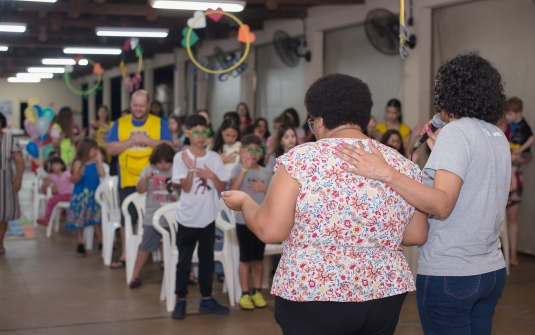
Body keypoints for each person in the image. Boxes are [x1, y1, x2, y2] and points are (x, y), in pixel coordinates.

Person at [222, 73, 427, 334]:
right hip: (382, 293)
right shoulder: (401, 164)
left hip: (313, 291)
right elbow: (416, 234)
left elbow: (270, 230)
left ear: (319, 120)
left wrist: (245, 204)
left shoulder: (301, 160)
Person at [337, 53, 509, 335]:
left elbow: (442, 205)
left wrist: (385, 172)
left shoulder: (457, 133)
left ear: (449, 92)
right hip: (490, 269)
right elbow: (475, 194)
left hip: (452, 272)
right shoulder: (495, 134)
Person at [171, 114, 230, 319]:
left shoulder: (213, 157)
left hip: (208, 218)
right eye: (195, 132)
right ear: (187, 133)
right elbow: (185, 189)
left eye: (203, 132)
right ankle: (181, 300)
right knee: (183, 262)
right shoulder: (180, 157)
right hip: (187, 219)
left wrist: (211, 176)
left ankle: (207, 299)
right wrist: (191, 168)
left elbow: (223, 188)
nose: (200, 137)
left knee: (207, 260)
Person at [106, 90, 173, 268]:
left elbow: (170, 147)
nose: (138, 108)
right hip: (128, 179)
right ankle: (126, 254)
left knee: (160, 218)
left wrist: (147, 140)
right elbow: (110, 149)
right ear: (130, 104)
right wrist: (130, 141)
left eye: (142, 106)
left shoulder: (159, 123)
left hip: (157, 180)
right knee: (127, 219)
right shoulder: (120, 123)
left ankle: (163, 256)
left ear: (148, 105)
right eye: (135, 105)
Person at [229, 134, 272, 310]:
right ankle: (245, 293)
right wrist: (244, 169)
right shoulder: (237, 169)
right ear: (242, 152)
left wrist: (265, 188)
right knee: (245, 258)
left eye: (257, 150)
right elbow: (232, 189)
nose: (253, 154)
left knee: (258, 259)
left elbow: (274, 197)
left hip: (261, 221)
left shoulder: (266, 172)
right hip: (243, 221)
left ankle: (256, 291)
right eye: (249, 151)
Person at [129, 144, 178, 288]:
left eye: (167, 162)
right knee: (145, 247)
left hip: (174, 218)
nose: (163, 166)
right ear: (154, 161)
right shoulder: (148, 170)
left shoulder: (176, 170)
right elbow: (140, 190)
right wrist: (145, 178)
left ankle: (190, 275)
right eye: (160, 162)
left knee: (179, 247)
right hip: (153, 217)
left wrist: (178, 181)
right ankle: (135, 275)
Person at [504, 96, 534, 266]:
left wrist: (517, 155)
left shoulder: (522, 128)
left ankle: (513, 254)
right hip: (502, 180)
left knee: (513, 219)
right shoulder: (503, 129)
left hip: (516, 179)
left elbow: (528, 156)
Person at [66, 138, 106, 256]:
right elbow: (74, 181)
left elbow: (102, 174)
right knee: (80, 220)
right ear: (86, 150)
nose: (95, 152)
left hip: (94, 196)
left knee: (96, 219)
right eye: (94, 149)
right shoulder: (78, 163)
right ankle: (80, 243)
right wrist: (79, 173)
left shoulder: (95, 162)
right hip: (82, 196)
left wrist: (99, 161)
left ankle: (102, 242)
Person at [0, 112, 24, 254]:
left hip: (5, 181)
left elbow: (19, 161)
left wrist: (18, 179)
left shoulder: (11, 140)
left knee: (3, 214)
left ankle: (0, 243)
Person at [36, 157, 73, 226]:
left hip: (70, 195)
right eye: (52, 164)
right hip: (62, 196)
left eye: (56, 164)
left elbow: (73, 179)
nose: (54, 166)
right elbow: (43, 175)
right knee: (53, 199)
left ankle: (46, 219)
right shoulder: (53, 176)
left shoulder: (67, 174)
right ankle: (60, 215)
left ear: (62, 165)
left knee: (52, 199)